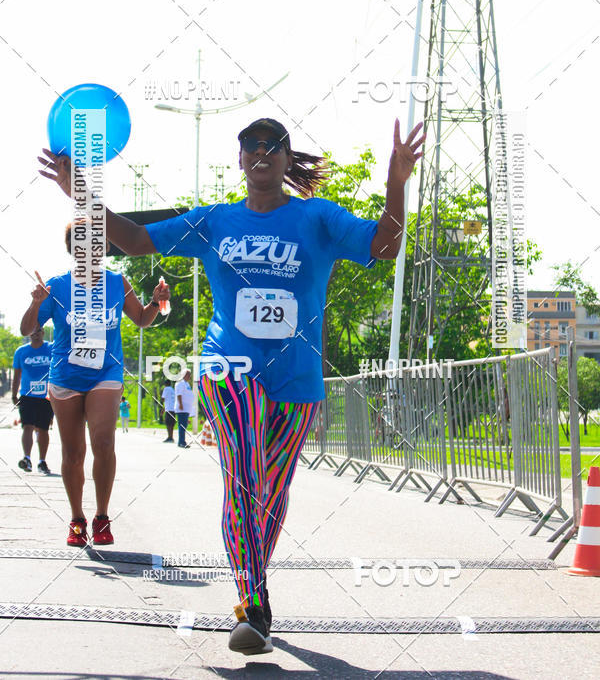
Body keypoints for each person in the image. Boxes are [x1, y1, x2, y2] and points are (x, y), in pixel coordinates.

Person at [38, 115, 424, 654]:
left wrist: (395, 183)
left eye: (273, 147)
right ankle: (251, 599)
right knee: (244, 481)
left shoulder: (318, 218)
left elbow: (384, 247)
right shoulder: (215, 221)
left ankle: (253, 587)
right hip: (228, 371)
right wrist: (78, 191)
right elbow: (133, 238)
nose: (261, 153)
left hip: (297, 378)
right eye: (251, 146)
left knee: (272, 489)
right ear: (239, 160)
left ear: (288, 162)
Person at [19, 221, 170, 548]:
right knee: (74, 453)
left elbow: (141, 320)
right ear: (74, 250)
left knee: (103, 443)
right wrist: (35, 302)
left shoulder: (118, 283)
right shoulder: (57, 287)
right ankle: (77, 518)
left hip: (106, 372)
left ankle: (102, 517)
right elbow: (25, 328)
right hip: (66, 376)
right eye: (83, 246)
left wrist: (157, 302)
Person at [12, 327, 53, 474]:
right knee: (27, 426)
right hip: (27, 395)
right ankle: (27, 458)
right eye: (32, 331)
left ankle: (42, 461)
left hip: (46, 396)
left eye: (38, 331)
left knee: (43, 428)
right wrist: (14, 395)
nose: (35, 334)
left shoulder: (51, 348)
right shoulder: (21, 352)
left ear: (43, 332)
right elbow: (17, 374)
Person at [174, 370, 195, 448]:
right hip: (182, 408)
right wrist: (181, 404)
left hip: (186, 408)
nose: (190, 376)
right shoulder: (180, 383)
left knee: (184, 425)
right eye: (188, 375)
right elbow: (179, 394)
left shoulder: (187, 384)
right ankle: (181, 442)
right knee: (182, 425)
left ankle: (182, 441)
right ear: (184, 375)